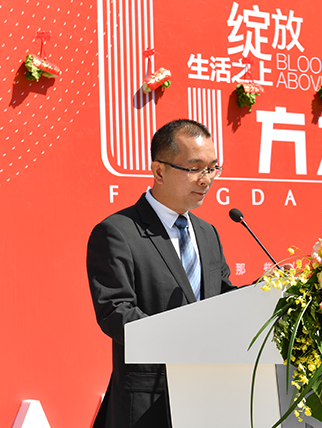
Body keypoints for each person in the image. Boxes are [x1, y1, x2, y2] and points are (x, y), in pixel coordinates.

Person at [87, 119, 237, 428]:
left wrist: (266, 292)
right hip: (149, 403)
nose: (206, 180)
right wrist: (185, 340)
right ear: (159, 171)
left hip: (210, 398)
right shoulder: (118, 232)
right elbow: (116, 313)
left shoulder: (207, 232)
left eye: (212, 168)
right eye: (195, 168)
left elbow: (221, 298)